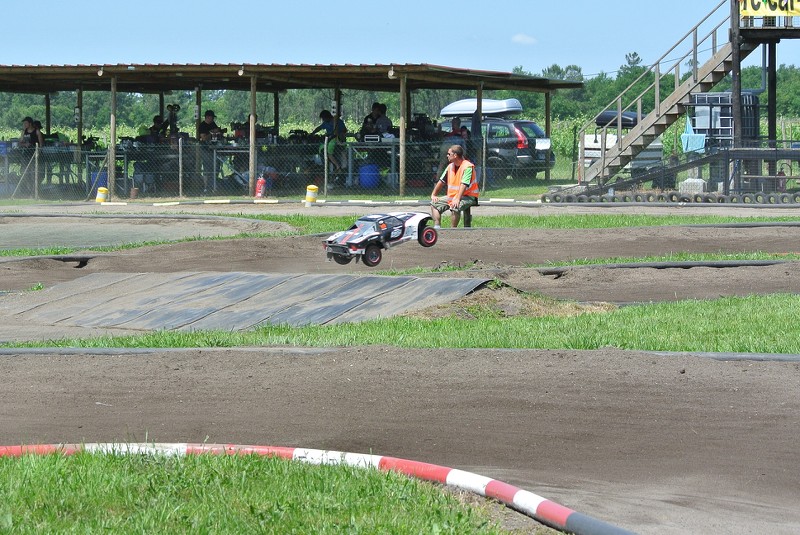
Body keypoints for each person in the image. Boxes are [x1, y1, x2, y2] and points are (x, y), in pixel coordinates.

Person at [430, 144, 479, 228]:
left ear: (455, 155)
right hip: (453, 196)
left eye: (449, 154)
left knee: (455, 206)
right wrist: (433, 194)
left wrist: (457, 199)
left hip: (468, 196)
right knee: (434, 205)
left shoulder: (468, 167)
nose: (447, 155)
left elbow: (464, 184)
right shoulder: (450, 166)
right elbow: (441, 181)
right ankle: (437, 228)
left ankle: (453, 230)